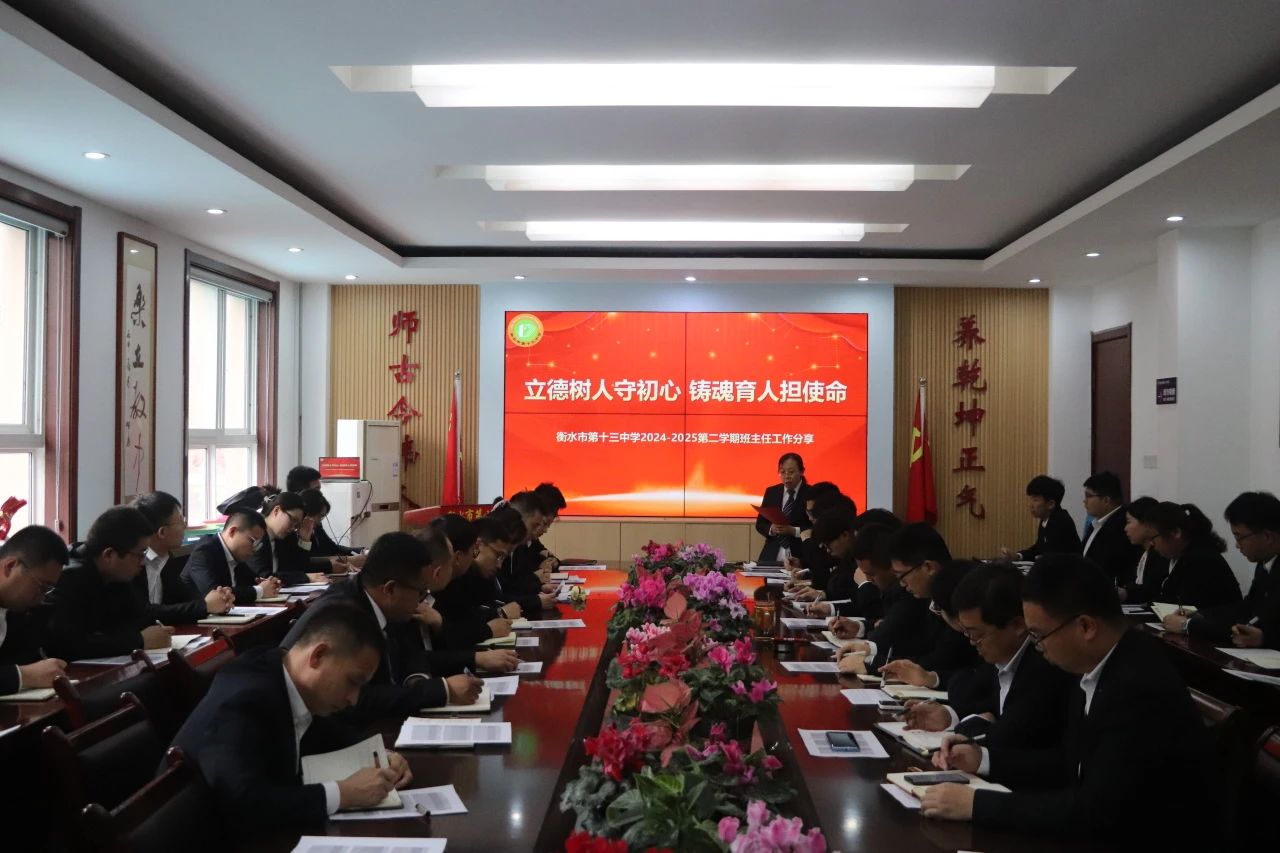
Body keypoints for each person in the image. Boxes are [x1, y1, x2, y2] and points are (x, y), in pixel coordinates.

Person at [920, 554, 1216, 849]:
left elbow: (1095, 814)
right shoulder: (1097, 665)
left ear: (1086, 627)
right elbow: (1070, 763)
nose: (1037, 647)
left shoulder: (1137, 688)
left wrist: (976, 805)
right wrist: (984, 759)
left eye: (1039, 635)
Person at [171, 601, 413, 838]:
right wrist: (344, 794)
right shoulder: (246, 699)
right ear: (318, 655)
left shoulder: (286, 675)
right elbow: (245, 804)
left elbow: (326, 731)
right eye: (353, 682)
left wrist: (379, 754)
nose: (354, 699)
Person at [282, 530, 484, 716]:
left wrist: (417, 679)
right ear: (390, 589)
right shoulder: (345, 615)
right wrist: (440, 691)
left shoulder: (383, 603)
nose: (421, 601)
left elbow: (409, 652)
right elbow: (354, 700)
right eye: (420, 592)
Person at [910, 562, 1075, 750]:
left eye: (977, 634)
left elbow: (1006, 740)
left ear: (1017, 625)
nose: (972, 642)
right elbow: (987, 708)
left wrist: (973, 727)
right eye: (967, 633)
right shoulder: (1003, 656)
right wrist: (949, 716)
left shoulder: (1044, 669)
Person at [46, 507, 176, 660]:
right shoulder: (70, 577)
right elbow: (67, 646)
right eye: (140, 554)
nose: (143, 562)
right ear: (109, 555)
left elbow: (138, 616)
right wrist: (139, 640)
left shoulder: (116, 574)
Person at [834, 523, 960, 675]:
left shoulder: (957, 599)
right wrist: (869, 649)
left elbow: (941, 662)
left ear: (928, 567)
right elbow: (914, 644)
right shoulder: (929, 596)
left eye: (901, 575)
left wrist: (872, 664)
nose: (901, 584)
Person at [1179, 492, 1280, 647]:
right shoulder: (1264, 564)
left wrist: (1264, 638)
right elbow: (1247, 607)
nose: (1237, 545)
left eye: (1239, 537)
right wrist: (1201, 614)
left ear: (1267, 536)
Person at [132, 491, 233, 622]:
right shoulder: (132, 564)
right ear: (162, 532)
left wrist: (220, 599)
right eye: (181, 521)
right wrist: (205, 606)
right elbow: (146, 612)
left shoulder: (166, 560)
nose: (185, 526)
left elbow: (185, 600)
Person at [0, 525, 70, 693]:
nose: (42, 597)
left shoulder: (15, 608)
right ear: (10, 566)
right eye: (42, 587)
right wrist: (25, 676)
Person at [1152, 503, 1242, 631]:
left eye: (1154, 537)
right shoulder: (1186, 554)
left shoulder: (1201, 559)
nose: (1152, 543)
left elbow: (1187, 604)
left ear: (1176, 533)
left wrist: (1185, 623)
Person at [181, 510, 283, 605]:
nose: (254, 549)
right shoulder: (204, 551)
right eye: (253, 541)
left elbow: (250, 584)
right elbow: (217, 595)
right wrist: (260, 590)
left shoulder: (237, 557)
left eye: (258, 545)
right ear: (232, 531)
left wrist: (268, 584)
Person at [802, 512, 883, 622]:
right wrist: (829, 606)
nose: (827, 550)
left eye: (828, 545)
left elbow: (874, 614)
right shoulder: (847, 559)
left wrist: (865, 584)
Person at [249, 492, 327, 586]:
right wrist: (306, 577)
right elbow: (264, 577)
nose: (293, 528)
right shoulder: (256, 533)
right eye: (292, 520)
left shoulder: (285, 537)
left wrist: (304, 540)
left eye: (296, 525)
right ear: (276, 510)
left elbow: (299, 568)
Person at [1078, 472, 1142, 586]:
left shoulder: (1121, 526)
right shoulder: (1096, 522)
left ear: (1106, 500)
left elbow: (1108, 565)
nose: (1084, 501)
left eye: (1089, 496)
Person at [1000, 475, 1081, 561]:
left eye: (1035, 500)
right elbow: (1039, 548)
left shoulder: (1061, 521)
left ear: (1051, 504)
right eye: (1031, 499)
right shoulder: (1046, 519)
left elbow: (1056, 555)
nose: (1030, 505)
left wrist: (1042, 559)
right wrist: (1018, 556)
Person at [754, 453, 812, 562]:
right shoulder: (772, 492)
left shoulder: (811, 493)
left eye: (791, 472)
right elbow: (760, 524)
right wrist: (771, 529)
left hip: (801, 557)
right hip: (771, 555)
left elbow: (817, 528)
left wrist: (794, 531)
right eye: (782, 472)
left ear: (801, 471)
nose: (786, 476)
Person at [1116, 496, 1169, 603]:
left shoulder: (1161, 554)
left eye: (1129, 522)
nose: (1125, 528)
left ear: (1146, 524)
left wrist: (1127, 592)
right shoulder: (1137, 552)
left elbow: (1152, 591)